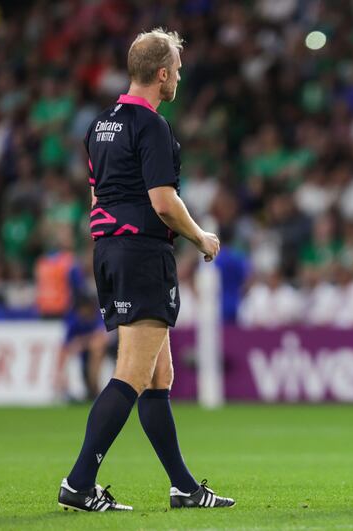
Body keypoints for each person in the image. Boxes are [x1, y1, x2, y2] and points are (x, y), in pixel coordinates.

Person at [58, 28, 235, 512]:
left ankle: (184, 488)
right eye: (176, 69)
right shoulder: (151, 125)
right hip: (141, 253)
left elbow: (96, 197)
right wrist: (201, 237)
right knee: (133, 374)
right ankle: (78, 483)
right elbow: (163, 201)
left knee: (160, 375)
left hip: (108, 251)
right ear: (162, 74)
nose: (178, 76)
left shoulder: (100, 125)